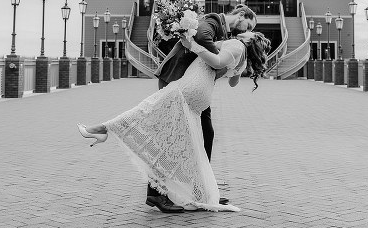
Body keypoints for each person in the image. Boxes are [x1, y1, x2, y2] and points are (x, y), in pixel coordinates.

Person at [77, 30, 271, 212]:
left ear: (250, 38)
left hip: (189, 88)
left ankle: (101, 129)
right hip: (201, 96)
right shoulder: (243, 58)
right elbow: (233, 81)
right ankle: (196, 191)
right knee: (184, 145)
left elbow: (218, 62)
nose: (246, 31)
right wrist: (234, 67)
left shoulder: (237, 44)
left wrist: (192, 45)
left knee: (145, 112)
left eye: (250, 31)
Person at [148, 4, 257, 212]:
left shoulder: (224, 31)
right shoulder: (213, 22)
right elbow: (201, 39)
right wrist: (222, 59)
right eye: (247, 25)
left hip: (193, 86)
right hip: (176, 80)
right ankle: (156, 193)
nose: (246, 31)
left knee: (206, 134)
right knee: (172, 137)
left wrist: (231, 61)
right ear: (241, 15)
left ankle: (202, 190)